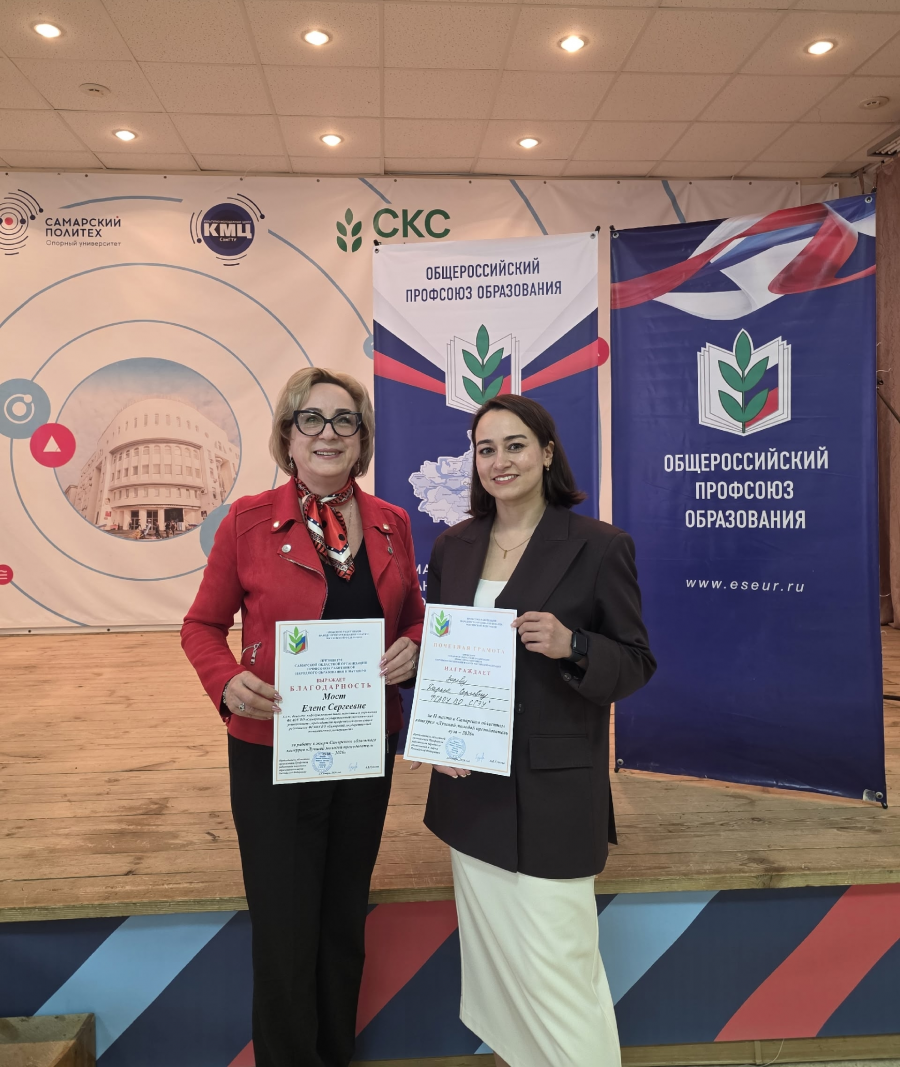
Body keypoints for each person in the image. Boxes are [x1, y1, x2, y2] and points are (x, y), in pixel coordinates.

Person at [182, 367, 424, 1067]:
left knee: (344, 919)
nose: (328, 433)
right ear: (288, 436)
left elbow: (414, 617)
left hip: (364, 746)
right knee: (286, 929)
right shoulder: (247, 521)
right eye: (310, 419)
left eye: (345, 420)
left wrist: (416, 645)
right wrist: (227, 681)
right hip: (273, 749)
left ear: (362, 438)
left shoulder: (392, 523)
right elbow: (201, 626)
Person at [417, 394, 656, 1067]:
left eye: (516, 444)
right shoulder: (453, 546)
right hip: (472, 787)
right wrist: (435, 731)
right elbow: (444, 655)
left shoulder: (600, 546)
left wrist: (573, 644)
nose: (500, 460)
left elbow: (637, 663)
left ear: (547, 452)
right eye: (486, 449)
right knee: (499, 977)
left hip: (554, 792)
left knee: (562, 972)